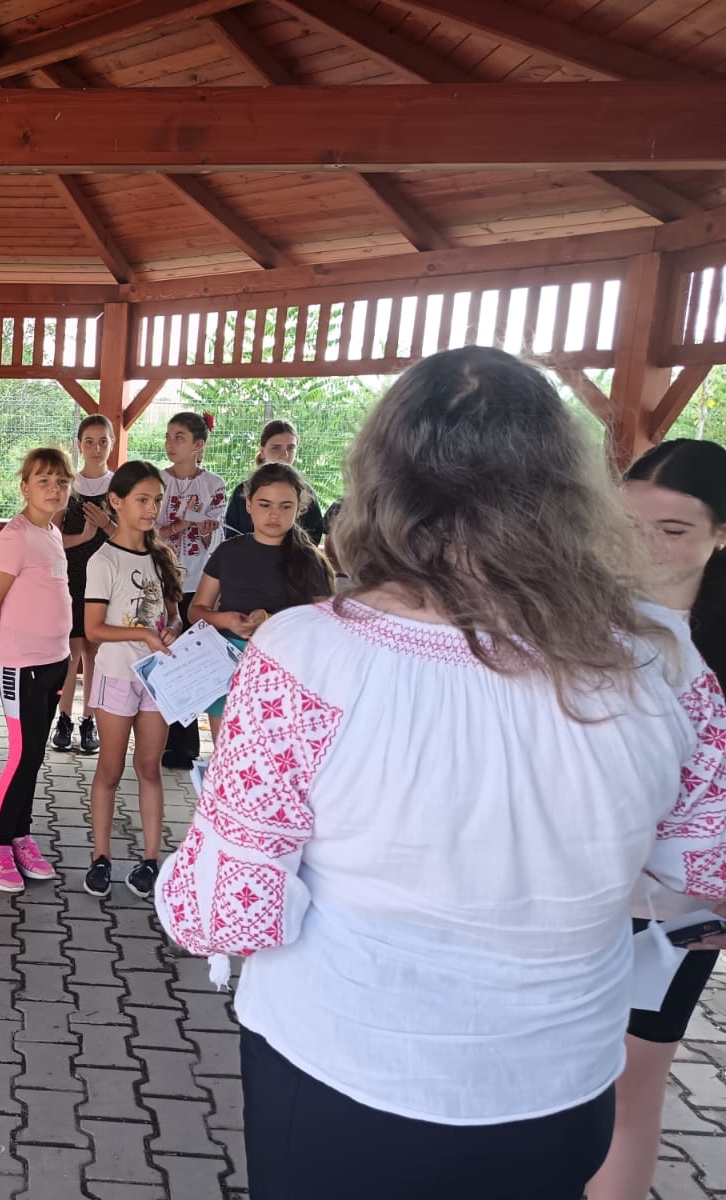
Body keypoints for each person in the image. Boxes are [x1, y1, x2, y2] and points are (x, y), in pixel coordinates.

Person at [154, 347, 726, 1200]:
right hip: (561, 1085)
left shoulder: (309, 654)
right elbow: (704, 875)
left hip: (345, 1074)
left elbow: (226, 912)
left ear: (384, 482)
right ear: (566, 486)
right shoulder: (663, 662)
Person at [587, 438, 726, 1200]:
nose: (643, 548)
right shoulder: (570, 619)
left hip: (679, 908)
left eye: (673, 530)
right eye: (628, 525)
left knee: (631, 1079)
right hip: (572, 886)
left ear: (720, 534)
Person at [0, 447, 73, 893]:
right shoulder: (14, 537)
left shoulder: (51, 532)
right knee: (22, 754)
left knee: (34, 755)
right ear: (25, 487)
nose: (54, 489)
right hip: (20, 666)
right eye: (43, 480)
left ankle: (19, 835)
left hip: (55, 662)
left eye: (61, 482)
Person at [81, 461, 181, 902]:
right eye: (142, 500)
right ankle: (100, 857)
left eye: (157, 500)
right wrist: (141, 635)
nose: (151, 509)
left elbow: (173, 616)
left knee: (149, 768)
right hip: (117, 676)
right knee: (110, 769)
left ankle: (151, 859)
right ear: (115, 502)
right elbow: (93, 628)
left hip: (157, 679)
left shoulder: (162, 556)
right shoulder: (103, 560)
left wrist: (171, 630)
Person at [186, 462, 334, 745]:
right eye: (265, 504)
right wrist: (227, 620)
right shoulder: (228, 552)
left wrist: (271, 624)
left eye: (285, 506)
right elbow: (196, 610)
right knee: (227, 754)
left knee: (273, 756)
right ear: (249, 504)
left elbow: (323, 626)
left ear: (299, 509)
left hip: (286, 669)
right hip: (227, 665)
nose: (274, 514)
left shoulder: (310, 561)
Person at [158, 411, 225, 770]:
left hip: (199, 584)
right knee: (165, 653)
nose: (170, 444)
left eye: (179, 437)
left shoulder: (214, 484)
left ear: (199, 445)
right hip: (162, 581)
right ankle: (164, 741)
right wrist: (180, 526)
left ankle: (187, 745)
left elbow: (217, 537)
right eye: (168, 436)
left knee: (192, 657)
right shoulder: (157, 480)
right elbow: (147, 532)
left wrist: (201, 530)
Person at [56, 414, 115, 756]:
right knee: (71, 652)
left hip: (106, 580)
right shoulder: (68, 485)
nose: (96, 448)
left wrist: (106, 525)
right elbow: (52, 538)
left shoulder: (119, 486)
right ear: (79, 445)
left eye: (103, 441)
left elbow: (131, 537)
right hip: (72, 578)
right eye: (89, 442)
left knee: (96, 652)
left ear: (111, 444)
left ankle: (89, 719)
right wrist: (84, 535)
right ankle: (63, 719)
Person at [223, 419, 326, 544]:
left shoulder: (306, 492)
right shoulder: (243, 491)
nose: (285, 454)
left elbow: (313, 537)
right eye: (276, 448)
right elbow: (231, 534)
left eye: (291, 448)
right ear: (262, 451)